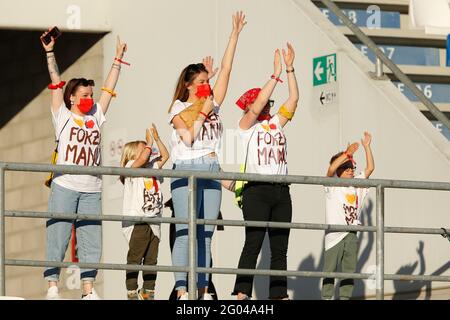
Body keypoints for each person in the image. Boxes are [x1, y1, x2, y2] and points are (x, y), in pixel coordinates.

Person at [40, 27, 128, 299]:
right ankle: (52, 285)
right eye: (85, 95)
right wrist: (50, 52)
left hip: (92, 188)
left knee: (91, 240)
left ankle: (88, 290)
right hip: (65, 185)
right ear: (72, 98)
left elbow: (109, 88)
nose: (91, 98)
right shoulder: (63, 115)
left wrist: (117, 60)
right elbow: (55, 79)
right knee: (58, 236)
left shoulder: (96, 116)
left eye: (91, 94)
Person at [168, 11, 247, 300]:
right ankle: (181, 288)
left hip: (211, 166)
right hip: (186, 167)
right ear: (189, 84)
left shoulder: (213, 103)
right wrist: (202, 109)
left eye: (207, 80)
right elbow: (187, 138)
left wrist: (234, 35)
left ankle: (201, 288)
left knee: (207, 233)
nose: (206, 84)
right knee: (186, 231)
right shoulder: (177, 108)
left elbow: (226, 70)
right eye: (201, 81)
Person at [232, 43, 299, 300]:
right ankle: (242, 293)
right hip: (256, 190)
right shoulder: (246, 126)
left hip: (281, 190)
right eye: (264, 103)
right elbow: (258, 104)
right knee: (254, 242)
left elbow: (293, 100)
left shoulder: (276, 123)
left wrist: (290, 69)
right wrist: (275, 74)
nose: (268, 106)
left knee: (280, 247)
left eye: (270, 103)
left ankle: (278, 295)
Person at [321, 132, 375, 300]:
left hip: (351, 233)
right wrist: (347, 153)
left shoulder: (357, 184)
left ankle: (345, 298)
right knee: (329, 271)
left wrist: (367, 147)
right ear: (339, 170)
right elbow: (330, 169)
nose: (351, 170)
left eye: (352, 167)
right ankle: (326, 298)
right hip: (334, 235)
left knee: (349, 271)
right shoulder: (333, 185)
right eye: (346, 167)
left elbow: (370, 168)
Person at [120, 124, 169, 300]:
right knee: (135, 257)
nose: (148, 151)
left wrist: (156, 138)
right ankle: (132, 291)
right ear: (133, 154)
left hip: (154, 221)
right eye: (143, 149)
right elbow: (141, 160)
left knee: (151, 259)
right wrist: (148, 143)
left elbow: (165, 156)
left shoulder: (151, 167)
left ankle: (148, 292)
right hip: (138, 221)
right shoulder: (131, 166)